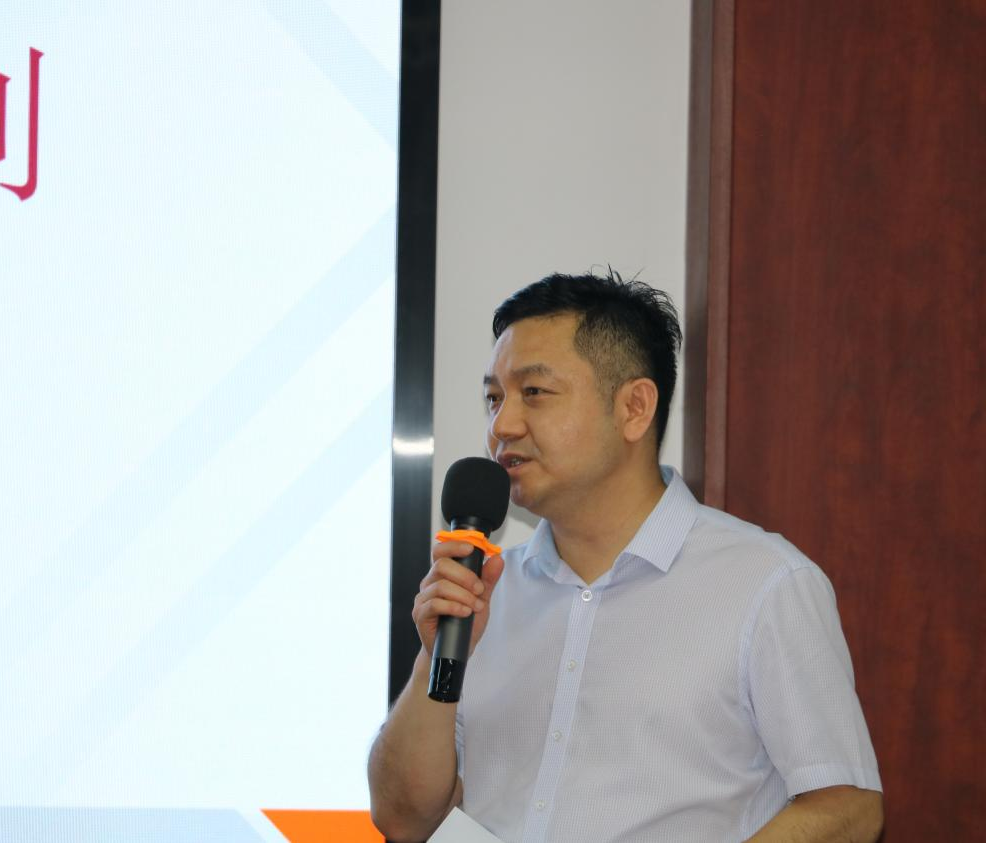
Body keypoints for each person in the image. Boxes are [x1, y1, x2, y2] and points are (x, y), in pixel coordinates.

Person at [369, 272, 883, 843]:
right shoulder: (486, 592)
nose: (502, 426)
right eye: (494, 398)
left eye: (533, 392)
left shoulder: (764, 583)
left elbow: (848, 808)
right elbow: (402, 819)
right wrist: (433, 657)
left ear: (634, 407)